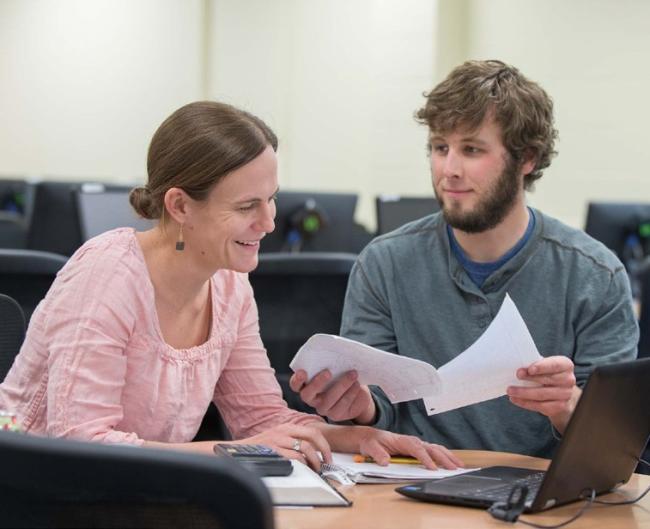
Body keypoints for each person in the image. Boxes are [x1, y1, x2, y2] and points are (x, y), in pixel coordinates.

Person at [0, 101, 462, 471]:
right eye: (246, 206)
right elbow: (82, 445)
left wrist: (358, 436)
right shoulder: (108, 275)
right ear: (180, 205)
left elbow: (262, 422)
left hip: (133, 495)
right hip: (35, 494)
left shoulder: (229, 285)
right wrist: (238, 452)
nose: (269, 222)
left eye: (272, 199)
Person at [290, 60, 639, 458]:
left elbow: (613, 446)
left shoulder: (595, 275)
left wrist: (569, 407)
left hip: (539, 497)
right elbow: (377, 406)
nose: (449, 170)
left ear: (526, 159)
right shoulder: (384, 263)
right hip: (415, 486)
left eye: (471, 149)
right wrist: (358, 408)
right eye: (440, 148)